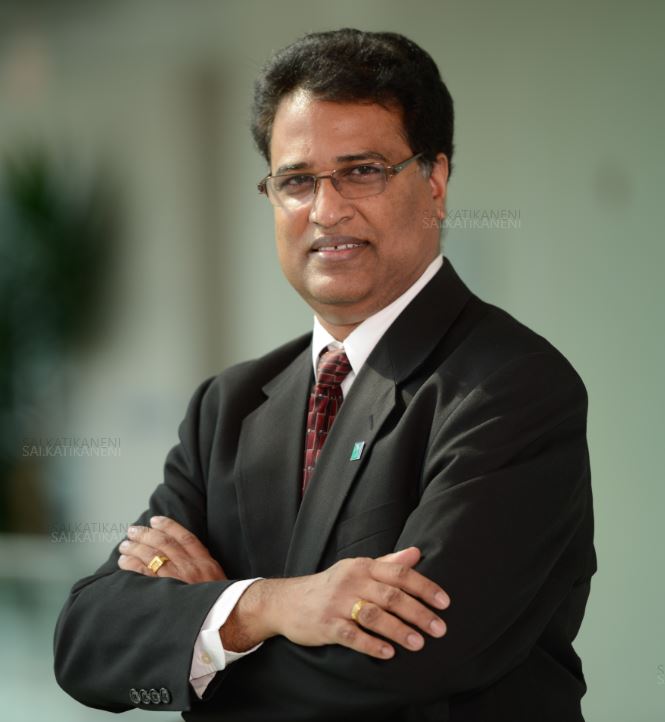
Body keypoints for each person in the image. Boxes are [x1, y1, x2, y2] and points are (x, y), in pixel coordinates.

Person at [53, 28, 595, 722]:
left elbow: (408, 662)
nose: (326, 209)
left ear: (434, 183)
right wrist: (264, 606)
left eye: (362, 170)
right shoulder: (228, 407)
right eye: (296, 180)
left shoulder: (509, 388)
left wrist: (202, 638)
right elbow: (87, 643)